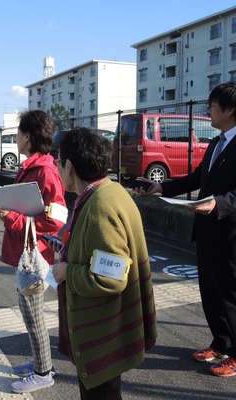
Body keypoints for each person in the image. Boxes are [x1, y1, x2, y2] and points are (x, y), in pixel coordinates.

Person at [50, 127, 157, 400]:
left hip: (102, 336)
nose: (57, 166)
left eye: (58, 161)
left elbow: (109, 278)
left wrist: (66, 271)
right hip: (107, 329)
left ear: (70, 166)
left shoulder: (100, 207)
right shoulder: (109, 191)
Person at [138, 82, 236, 378]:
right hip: (205, 230)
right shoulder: (217, 142)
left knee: (231, 295)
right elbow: (197, 178)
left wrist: (219, 203)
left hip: (230, 235)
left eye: (213, 106)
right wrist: (162, 187)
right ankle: (221, 343)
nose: (208, 111)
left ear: (230, 109)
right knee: (210, 292)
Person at [0, 110, 67, 393]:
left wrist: (11, 218)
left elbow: (57, 217)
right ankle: (43, 363)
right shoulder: (32, 167)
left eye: (19, 132)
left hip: (36, 257)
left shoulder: (45, 171)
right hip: (28, 254)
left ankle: (42, 373)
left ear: (28, 136)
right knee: (30, 313)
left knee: (33, 315)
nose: (16, 137)